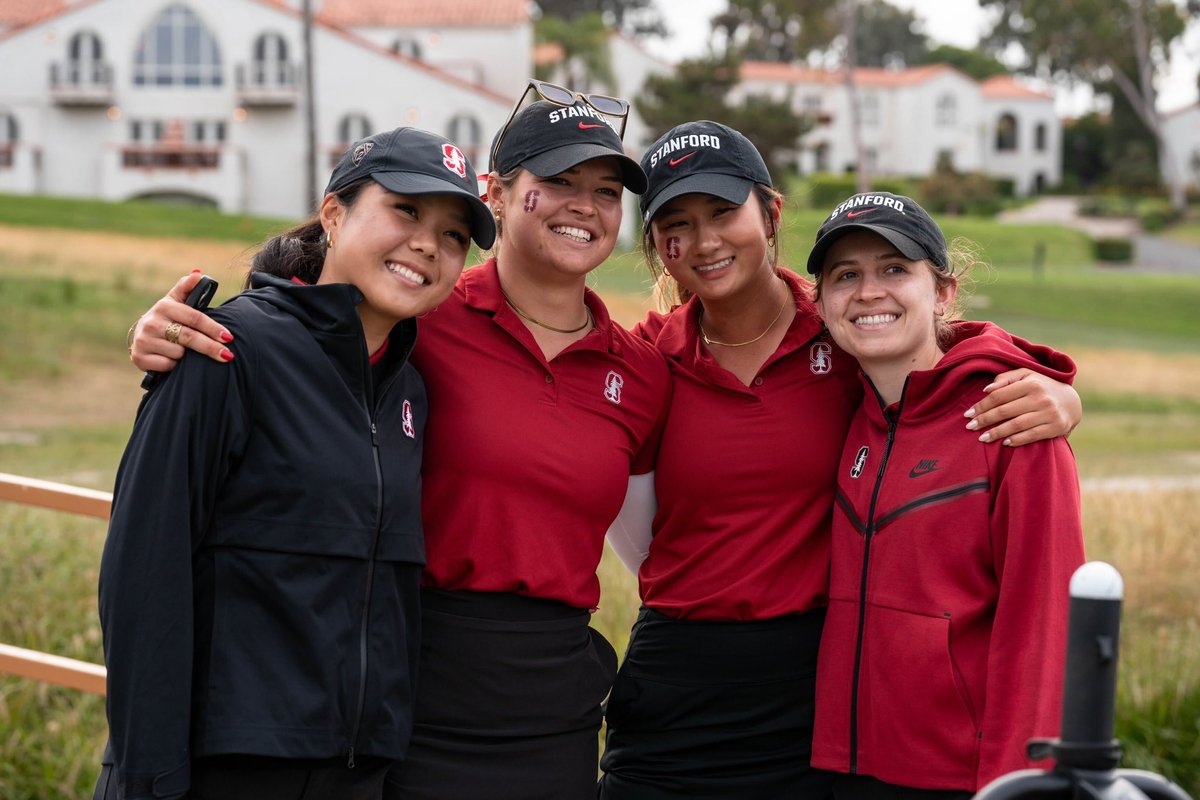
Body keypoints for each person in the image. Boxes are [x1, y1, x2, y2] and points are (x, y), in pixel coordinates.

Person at [126, 81, 671, 800]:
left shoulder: (639, 371)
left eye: (606, 191)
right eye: (560, 181)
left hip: (552, 707)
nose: (585, 205)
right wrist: (169, 330)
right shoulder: (424, 317)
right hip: (409, 695)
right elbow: (309, 310)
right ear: (499, 194)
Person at [598, 122, 1083, 799]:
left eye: (721, 212)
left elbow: (935, 349)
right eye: (675, 223)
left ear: (769, 214)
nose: (704, 240)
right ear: (655, 247)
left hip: (810, 692)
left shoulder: (838, 336)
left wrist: (1054, 387)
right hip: (678, 685)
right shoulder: (645, 359)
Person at [97, 126, 495, 800]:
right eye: (405, 210)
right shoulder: (225, 350)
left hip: (355, 772)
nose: (429, 243)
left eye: (454, 234)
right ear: (334, 214)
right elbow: (143, 575)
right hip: (219, 770)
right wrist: (150, 776)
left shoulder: (410, 391)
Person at [806, 192, 1086, 798]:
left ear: (943, 293)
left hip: (961, 779)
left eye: (894, 269)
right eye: (845, 275)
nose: (868, 291)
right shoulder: (846, 411)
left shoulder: (1012, 423)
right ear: (821, 302)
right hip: (843, 769)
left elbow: (1043, 629)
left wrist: (1022, 785)